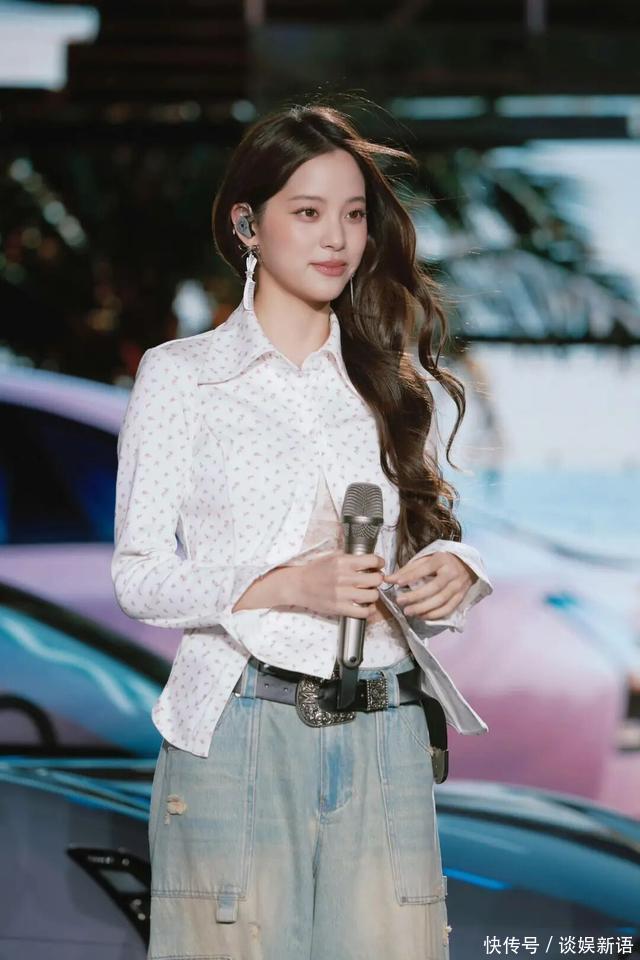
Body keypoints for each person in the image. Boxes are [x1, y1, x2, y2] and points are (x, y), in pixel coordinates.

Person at [111, 100, 493, 960]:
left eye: (354, 215)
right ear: (248, 224)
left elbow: (414, 549)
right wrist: (285, 584)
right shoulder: (183, 378)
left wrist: (454, 571)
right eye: (309, 212)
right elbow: (139, 578)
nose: (337, 239)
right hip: (241, 724)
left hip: (389, 726)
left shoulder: (389, 381)